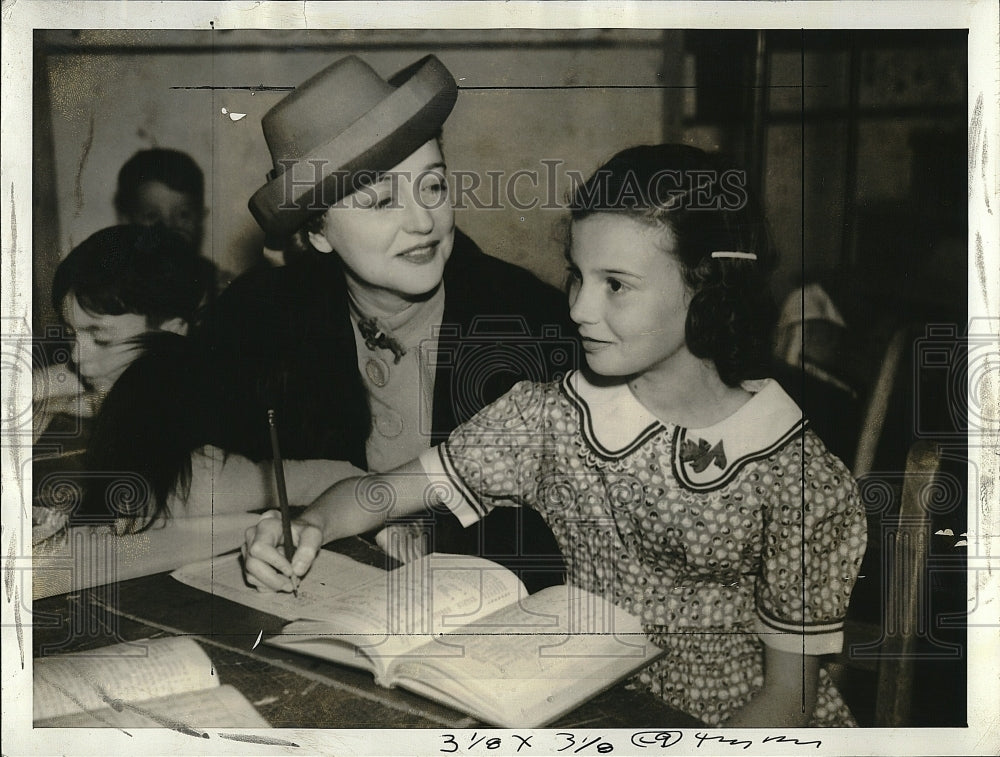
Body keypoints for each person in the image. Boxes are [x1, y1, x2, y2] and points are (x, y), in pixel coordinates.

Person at [242, 144, 868, 727]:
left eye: (615, 285)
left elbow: (791, 695)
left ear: (707, 284)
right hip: (588, 708)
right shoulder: (551, 419)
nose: (577, 310)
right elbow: (381, 493)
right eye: (577, 276)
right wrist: (312, 521)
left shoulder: (795, 475)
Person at [196, 54, 573, 585]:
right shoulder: (266, 320)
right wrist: (286, 522)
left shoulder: (534, 325)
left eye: (435, 187)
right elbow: (192, 459)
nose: (423, 222)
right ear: (319, 234)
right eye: (380, 201)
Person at [32, 224, 244, 533]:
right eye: (70, 334)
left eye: (101, 339)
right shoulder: (91, 378)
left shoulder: (204, 418)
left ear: (172, 333)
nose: (77, 355)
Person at [115, 148, 207, 248]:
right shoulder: (116, 262)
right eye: (152, 216)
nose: (169, 226)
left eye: (183, 215)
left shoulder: (202, 264)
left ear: (200, 218)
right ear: (126, 221)